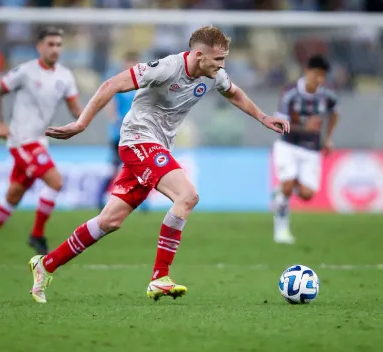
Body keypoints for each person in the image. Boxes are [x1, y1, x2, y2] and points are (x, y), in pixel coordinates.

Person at [28, 25, 290, 304]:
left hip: (156, 146)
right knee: (187, 196)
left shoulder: (214, 75)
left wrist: (263, 118)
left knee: (110, 221)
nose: (222, 66)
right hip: (137, 140)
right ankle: (160, 277)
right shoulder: (165, 68)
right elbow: (112, 84)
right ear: (199, 55)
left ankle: (45, 265)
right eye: (219, 60)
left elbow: (233, 93)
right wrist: (81, 123)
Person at [0, 27, 83, 263]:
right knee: (56, 181)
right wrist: (0, 123)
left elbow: (75, 109)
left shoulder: (65, 76)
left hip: (40, 141)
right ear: (39, 47)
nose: (55, 49)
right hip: (21, 140)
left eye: (58, 45)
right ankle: (37, 235)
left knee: (14, 195)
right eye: (50, 44)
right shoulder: (26, 72)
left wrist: (90, 114)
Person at [272, 55, 339, 244]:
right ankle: (281, 230)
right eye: (317, 75)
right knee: (287, 183)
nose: (319, 80)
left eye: (323, 76)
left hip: (311, 149)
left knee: (307, 194)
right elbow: (279, 124)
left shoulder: (327, 94)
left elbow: (335, 114)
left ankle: (282, 191)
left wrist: (328, 138)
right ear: (307, 71)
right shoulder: (290, 92)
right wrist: (305, 128)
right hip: (288, 145)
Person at [98, 51, 149, 212]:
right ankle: (99, 197)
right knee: (114, 167)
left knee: (141, 167)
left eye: (135, 63)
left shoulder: (143, 83)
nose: (132, 67)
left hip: (138, 133)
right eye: (129, 63)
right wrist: (115, 120)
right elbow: (110, 103)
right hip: (119, 133)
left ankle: (142, 202)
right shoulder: (119, 82)